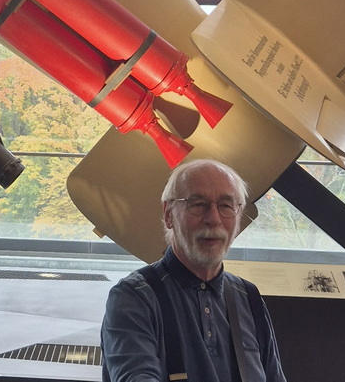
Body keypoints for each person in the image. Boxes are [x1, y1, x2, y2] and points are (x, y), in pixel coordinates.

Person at [101, 158, 286, 382]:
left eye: (226, 205)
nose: (213, 219)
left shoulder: (249, 298)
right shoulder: (135, 298)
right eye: (198, 204)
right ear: (168, 214)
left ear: (238, 219)